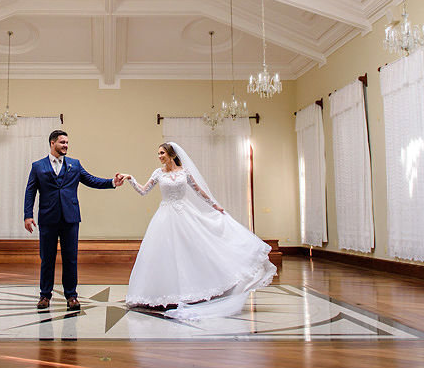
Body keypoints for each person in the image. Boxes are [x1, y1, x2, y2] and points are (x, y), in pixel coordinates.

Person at [123, 142, 276, 320]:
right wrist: (130, 178)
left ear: (172, 155)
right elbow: (143, 191)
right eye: (158, 153)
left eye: (162, 153)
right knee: (163, 254)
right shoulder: (158, 173)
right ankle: (162, 294)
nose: (159, 156)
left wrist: (215, 205)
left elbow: (198, 191)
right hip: (164, 216)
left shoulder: (184, 172)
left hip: (184, 214)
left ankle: (195, 290)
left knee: (192, 251)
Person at [24, 130, 122, 311]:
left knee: (70, 258)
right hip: (47, 218)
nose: (66, 145)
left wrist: (112, 182)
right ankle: (44, 296)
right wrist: (28, 215)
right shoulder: (37, 166)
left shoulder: (74, 164)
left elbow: (90, 180)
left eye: (67, 142)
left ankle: (72, 296)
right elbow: (30, 191)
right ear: (52, 143)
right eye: (62, 142)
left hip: (70, 218)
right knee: (47, 259)